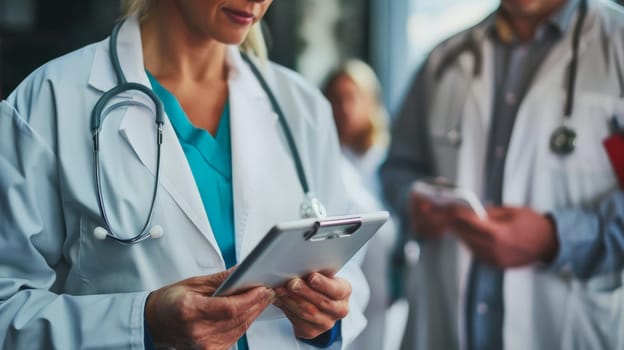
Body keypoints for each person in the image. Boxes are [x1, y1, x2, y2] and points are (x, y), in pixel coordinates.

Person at [0, 0, 370, 349]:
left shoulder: (303, 108)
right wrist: (143, 324)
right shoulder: (51, 100)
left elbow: (351, 272)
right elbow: (7, 310)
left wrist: (327, 318)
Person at [381, 0, 624, 349]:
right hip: (444, 321)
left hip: (570, 324)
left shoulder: (617, 43)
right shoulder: (444, 59)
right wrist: (411, 200)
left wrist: (556, 238)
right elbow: (398, 168)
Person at [324, 60, 404, 350]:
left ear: (370, 102)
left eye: (353, 97)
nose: (345, 107)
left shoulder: (388, 161)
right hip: (343, 284)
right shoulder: (321, 159)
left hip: (387, 290)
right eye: (336, 98)